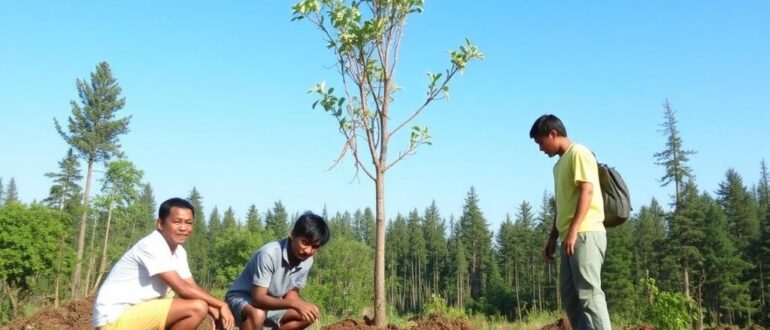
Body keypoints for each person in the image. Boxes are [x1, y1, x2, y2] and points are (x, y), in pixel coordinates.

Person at [92, 197, 234, 330]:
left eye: (188, 223)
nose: (184, 228)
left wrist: (215, 310)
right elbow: (182, 288)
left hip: (139, 313)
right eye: (177, 222)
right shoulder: (152, 244)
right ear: (160, 224)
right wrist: (222, 305)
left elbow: (191, 287)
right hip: (114, 317)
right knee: (197, 307)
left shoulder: (179, 252)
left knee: (197, 304)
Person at [530, 114, 612, 330]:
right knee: (570, 297)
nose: (540, 149)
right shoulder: (558, 166)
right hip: (569, 238)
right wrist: (552, 237)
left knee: (589, 293)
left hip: (586, 233)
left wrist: (574, 230)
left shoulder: (579, 153)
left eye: (541, 142)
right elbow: (562, 206)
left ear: (553, 134)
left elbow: (587, 190)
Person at [226, 211, 330, 330]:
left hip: (271, 304)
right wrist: (295, 304)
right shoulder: (269, 254)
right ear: (293, 234)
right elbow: (258, 299)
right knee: (258, 314)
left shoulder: (307, 260)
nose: (308, 251)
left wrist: (303, 305)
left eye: (314, 247)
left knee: (308, 315)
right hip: (242, 299)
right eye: (305, 243)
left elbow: (292, 293)